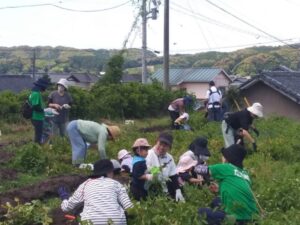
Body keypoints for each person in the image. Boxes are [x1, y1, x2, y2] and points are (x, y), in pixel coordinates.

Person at [58, 159, 133, 225]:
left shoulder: (85, 184)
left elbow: (66, 208)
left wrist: (64, 197)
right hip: (116, 222)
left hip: (91, 222)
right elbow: (129, 208)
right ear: (109, 172)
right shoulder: (116, 184)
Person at [198, 144, 259, 225]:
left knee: (201, 212)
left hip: (238, 219)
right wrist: (219, 189)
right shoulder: (244, 173)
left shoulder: (225, 168)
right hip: (253, 218)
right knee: (216, 201)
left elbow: (198, 169)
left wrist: (197, 160)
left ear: (229, 158)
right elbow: (236, 188)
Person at [146, 132, 185, 202]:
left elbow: (173, 175)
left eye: (165, 145)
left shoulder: (169, 158)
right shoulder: (148, 154)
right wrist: (157, 170)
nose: (161, 147)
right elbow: (146, 170)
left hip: (164, 188)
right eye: (160, 144)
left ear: (169, 147)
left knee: (179, 190)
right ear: (156, 142)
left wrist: (178, 190)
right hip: (150, 187)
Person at [29, 77, 50, 144]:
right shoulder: (36, 94)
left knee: (39, 133)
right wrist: (44, 110)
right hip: (37, 117)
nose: (45, 89)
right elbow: (35, 106)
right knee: (38, 134)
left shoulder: (35, 92)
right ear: (41, 86)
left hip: (37, 117)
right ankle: (36, 148)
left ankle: (37, 146)